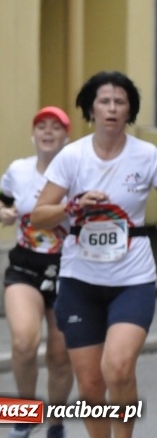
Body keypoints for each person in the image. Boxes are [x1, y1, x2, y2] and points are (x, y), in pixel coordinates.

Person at [31, 71, 157, 438]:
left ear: (130, 109)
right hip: (80, 280)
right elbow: (39, 217)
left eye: (120, 101)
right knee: (89, 386)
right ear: (91, 108)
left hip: (133, 279)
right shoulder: (73, 156)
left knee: (117, 368)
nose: (112, 108)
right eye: (104, 101)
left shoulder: (147, 156)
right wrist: (73, 206)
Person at [0, 106, 74, 438]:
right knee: (25, 342)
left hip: (68, 269)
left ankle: (55, 423)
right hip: (25, 265)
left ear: (66, 136)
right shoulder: (18, 170)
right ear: (33, 134)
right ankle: (25, 416)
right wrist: (3, 212)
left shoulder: (78, 171)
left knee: (60, 353)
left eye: (56, 127)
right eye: (42, 126)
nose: (48, 132)